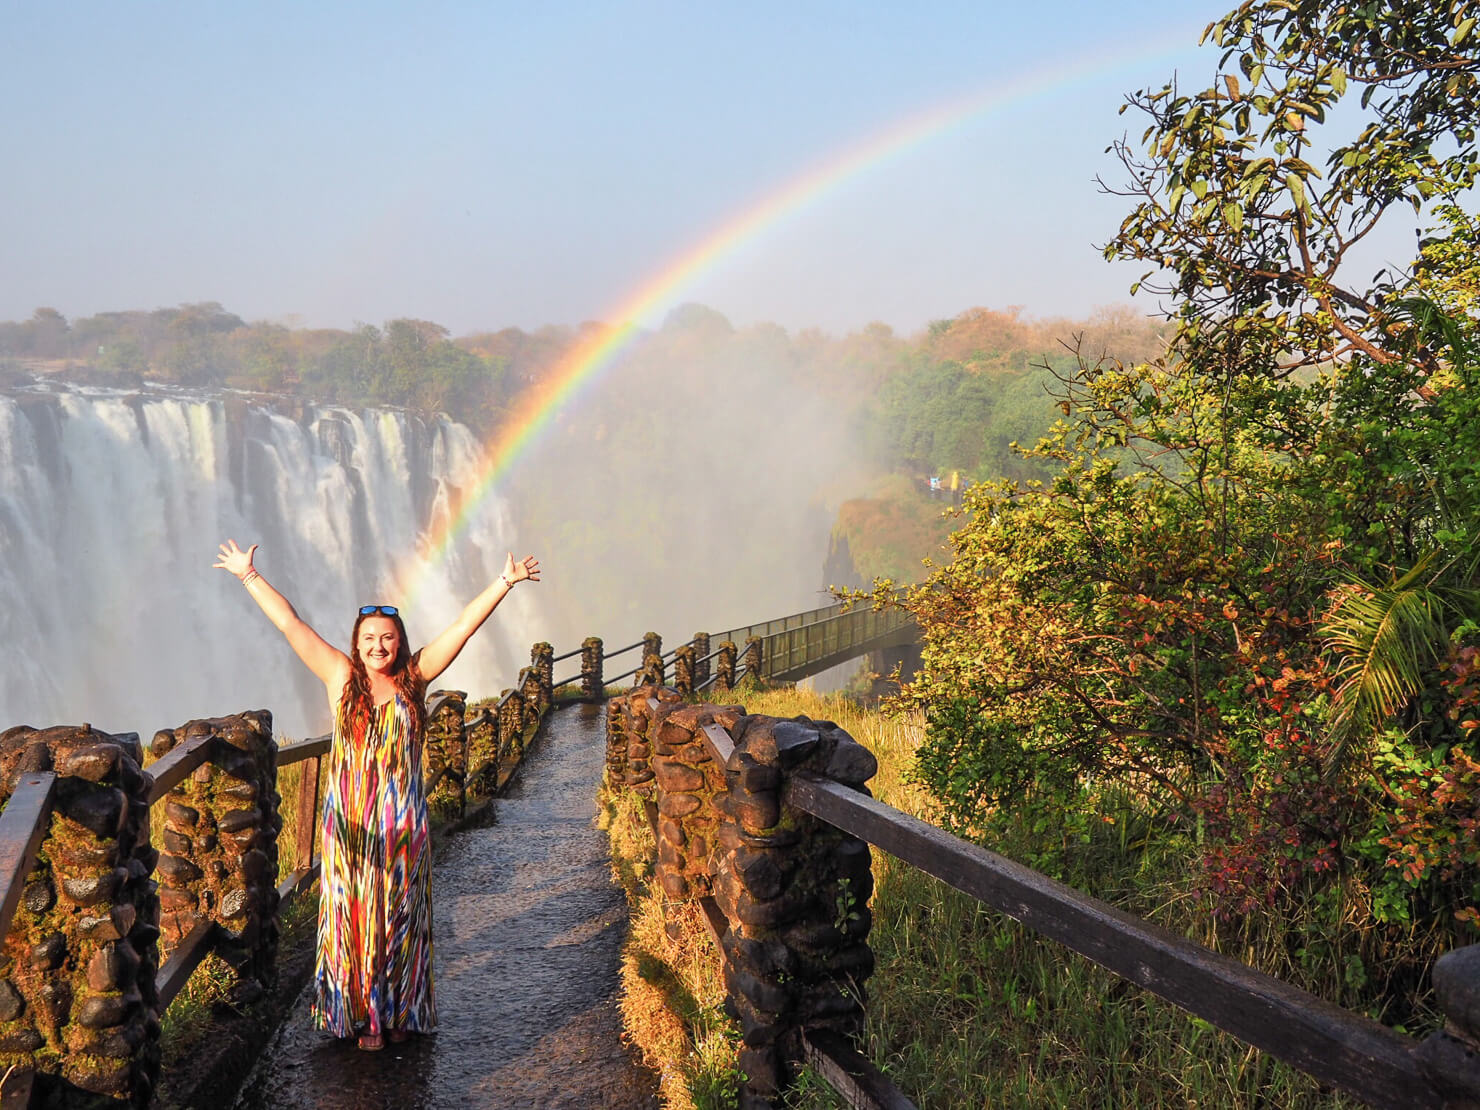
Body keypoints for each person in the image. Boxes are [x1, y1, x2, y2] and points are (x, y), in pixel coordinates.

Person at [213, 539, 541, 1051]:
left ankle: (396, 1012)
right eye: (369, 637)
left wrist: (504, 581)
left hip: (404, 828)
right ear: (357, 641)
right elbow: (291, 625)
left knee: (398, 919)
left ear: (400, 642)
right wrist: (248, 576)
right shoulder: (340, 677)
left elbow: (462, 628)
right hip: (351, 827)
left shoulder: (415, 679)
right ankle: (360, 1017)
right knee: (353, 916)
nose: (377, 646)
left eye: (387, 638)